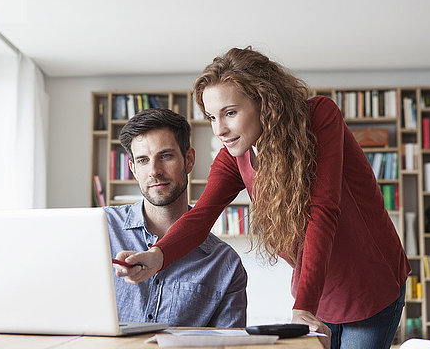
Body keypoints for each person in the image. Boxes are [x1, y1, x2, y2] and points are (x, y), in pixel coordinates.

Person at [115, 47, 411, 349]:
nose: (220, 130)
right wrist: (157, 255)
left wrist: (303, 308)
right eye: (211, 117)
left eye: (230, 113)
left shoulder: (320, 117)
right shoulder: (236, 154)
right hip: (317, 290)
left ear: (264, 102)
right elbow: (202, 215)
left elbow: (322, 212)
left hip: (368, 282)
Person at [108, 108, 247, 327]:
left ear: (189, 160)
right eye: (143, 160)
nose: (154, 171)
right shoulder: (101, 230)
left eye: (165, 156)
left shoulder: (224, 264)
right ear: (133, 170)